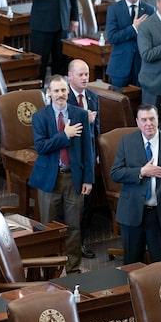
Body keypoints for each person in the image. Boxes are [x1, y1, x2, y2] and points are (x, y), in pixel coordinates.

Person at [28, 75, 94, 274]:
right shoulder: (40, 117)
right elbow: (41, 147)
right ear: (48, 93)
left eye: (63, 90)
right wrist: (65, 135)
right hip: (50, 178)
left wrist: (88, 179)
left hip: (73, 178)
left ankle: (73, 269)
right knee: (49, 228)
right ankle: (51, 270)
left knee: (74, 226)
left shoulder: (80, 114)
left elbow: (87, 150)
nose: (60, 95)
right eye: (56, 91)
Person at [111, 105, 161, 263]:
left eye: (152, 119)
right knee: (132, 265)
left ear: (158, 119)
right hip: (133, 214)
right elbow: (115, 173)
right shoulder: (127, 141)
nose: (148, 123)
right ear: (138, 122)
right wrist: (141, 172)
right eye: (144, 120)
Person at [67, 59, 99, 259]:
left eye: (87, 74)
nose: (85, 78)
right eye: (81, 74)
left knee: (87, 203)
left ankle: (81, 242)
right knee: (71, 205)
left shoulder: (93, 97)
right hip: (70, 157)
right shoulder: (64, 98)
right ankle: (69, 245)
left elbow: (97, 129)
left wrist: (95, 155)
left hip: (89, 156)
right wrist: (83, 120)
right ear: (70, 76)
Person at [106, 0, 153, 86]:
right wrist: (133, 28)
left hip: (142, 66)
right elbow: (112, 37)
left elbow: (152, 37)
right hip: (120, 66)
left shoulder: (149, 10)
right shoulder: (114, 9)